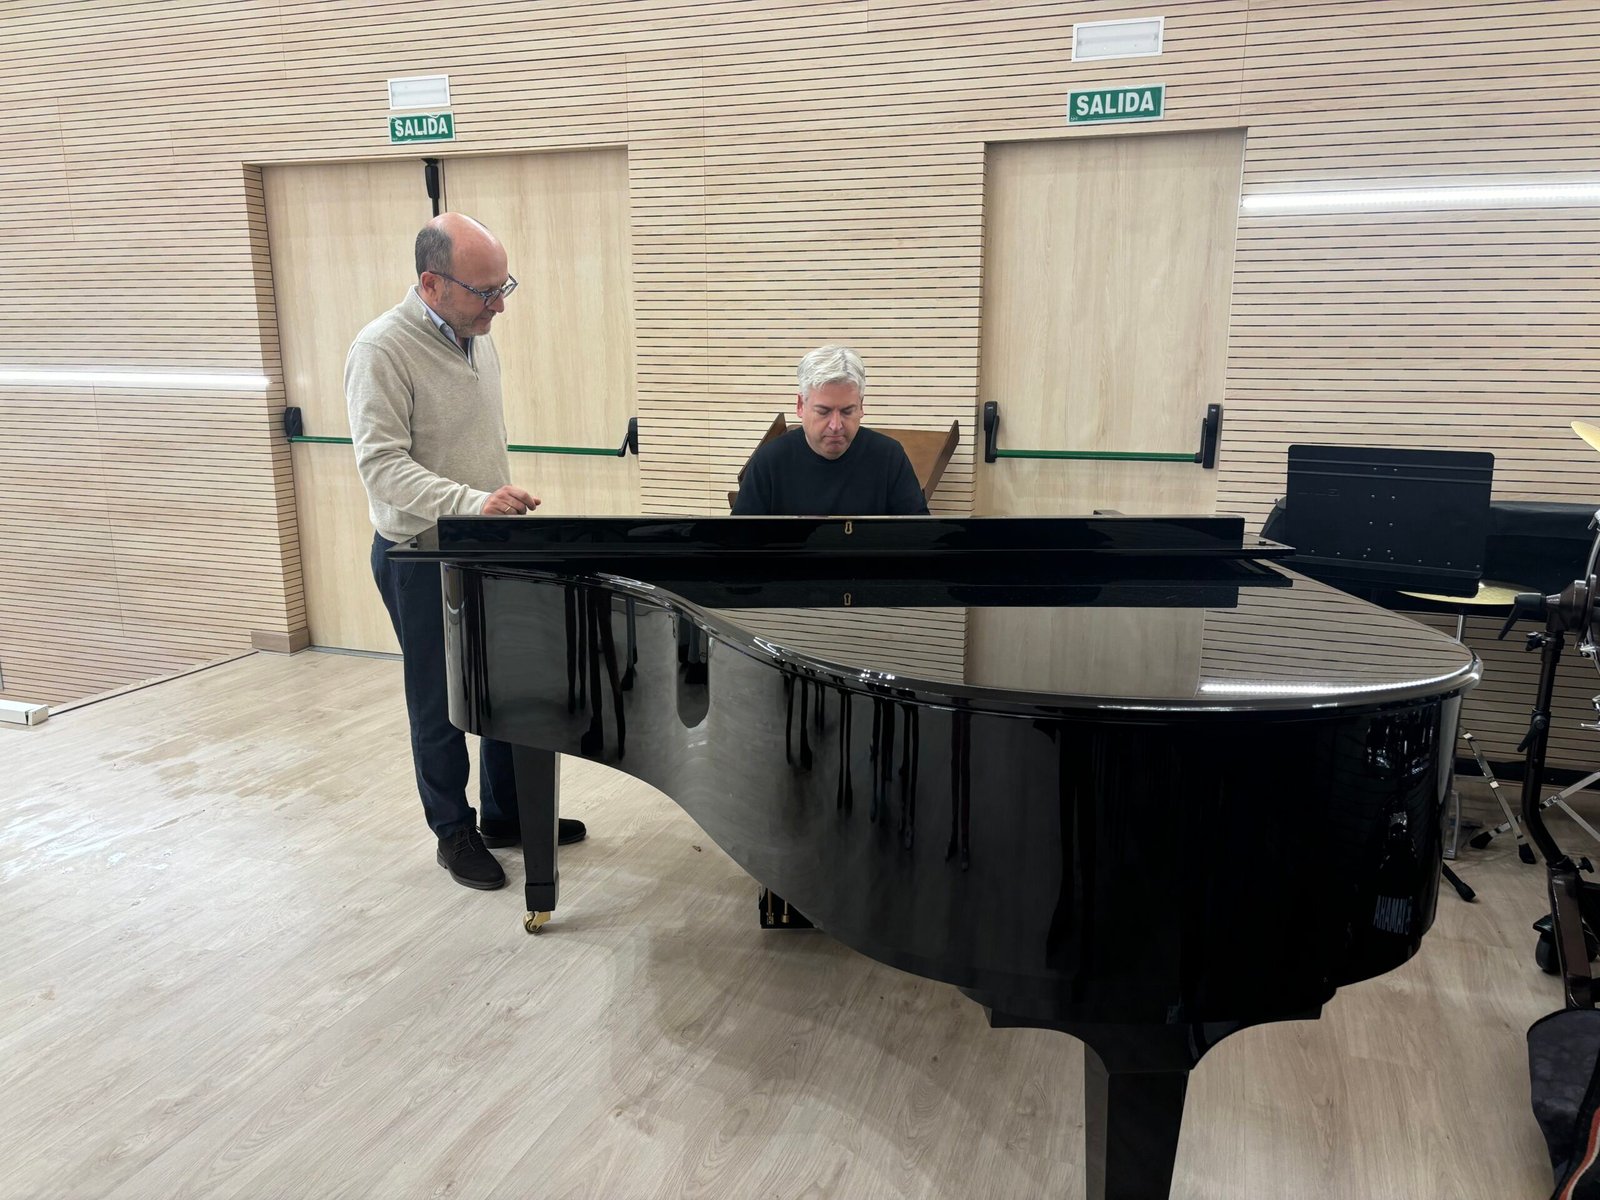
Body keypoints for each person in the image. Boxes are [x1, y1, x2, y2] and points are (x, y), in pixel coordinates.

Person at [346, 211, 585, 892]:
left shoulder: (476, 337)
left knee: (510, 689)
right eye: (485, 291)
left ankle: (509, 817)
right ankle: (455, 831)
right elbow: (383, 468)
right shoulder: (380, 350)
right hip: (419, 555)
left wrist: (492, 506)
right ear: (431, 283)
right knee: (441, 700)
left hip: (485, 547)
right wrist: (472, 501)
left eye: (502, 285)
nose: (500, 305)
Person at [731, 345, 930, 516]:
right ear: (801, 405)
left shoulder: (889, 457)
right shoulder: (770, 460)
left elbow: (922, 538)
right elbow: (735, 544)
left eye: (847, 411)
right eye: (823, 411)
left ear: (861, 406)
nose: (836, 425)